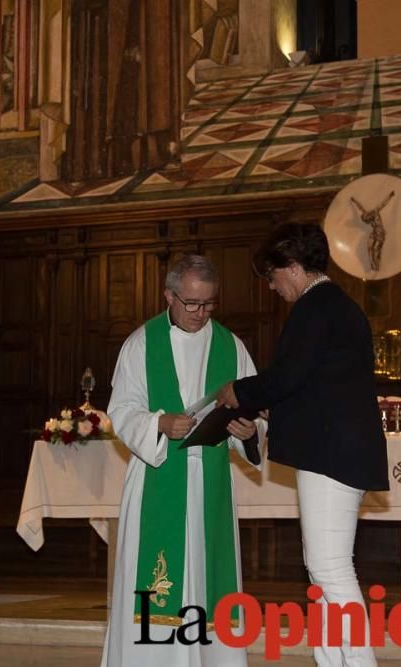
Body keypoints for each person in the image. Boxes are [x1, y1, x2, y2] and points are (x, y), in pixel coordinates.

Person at [217, 223, 389, 667]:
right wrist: (276, 411)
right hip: (335, 448)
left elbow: (288, 377)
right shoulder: (336, 307)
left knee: (331, 570)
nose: (272, 287)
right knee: (324, 569)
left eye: (272, 276)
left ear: (291, 267)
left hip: (330, 456)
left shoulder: (315, 307)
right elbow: (318, 388)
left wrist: (240, 391)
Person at [101, 254, 263, 667]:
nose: (200, 313)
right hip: (159, 479)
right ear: (169, 295)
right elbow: (122, 410)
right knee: (160, 585)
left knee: (210, 580)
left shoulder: (231, 345)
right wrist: (158, 423)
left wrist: (248, 433)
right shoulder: (141, 344)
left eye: (208, 304)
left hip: (211, 484)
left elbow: (257, 412)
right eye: (191, 303)